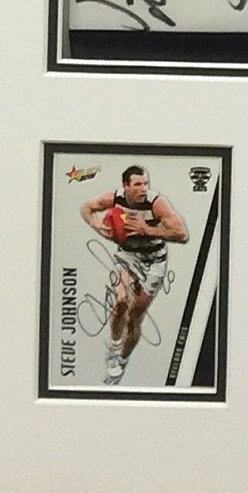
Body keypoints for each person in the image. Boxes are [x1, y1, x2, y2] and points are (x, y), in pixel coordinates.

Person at [79, 164, 189, 387]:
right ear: (126, 186)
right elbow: (86, 207)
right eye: (138, 184)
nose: (143, 188)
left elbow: (182, 234)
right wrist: (96, 224)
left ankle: (123, 358)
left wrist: (148, 230)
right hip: (128, 256)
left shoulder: (157, 203)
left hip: (154, 262)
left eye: (146, 183)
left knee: (135, 316)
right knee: (121, 302)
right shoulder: (115, 199)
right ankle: (114, 348)